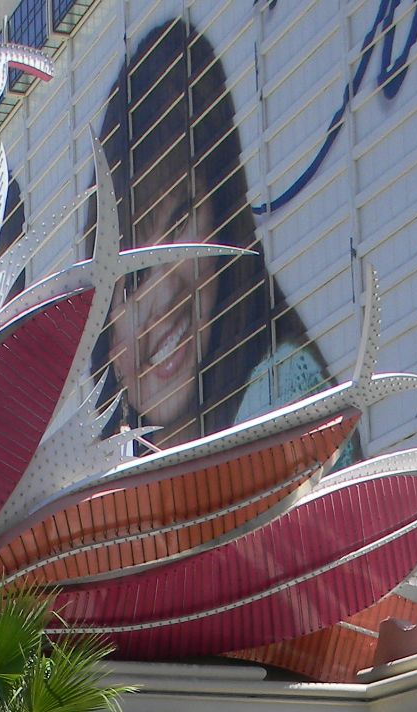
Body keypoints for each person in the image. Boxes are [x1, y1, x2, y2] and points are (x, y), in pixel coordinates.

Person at [88, 18, 329, 450]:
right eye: (134, 279)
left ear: (222, 218)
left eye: (180, 224)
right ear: (107, 343)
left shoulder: (281, 390)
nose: (164, 294)